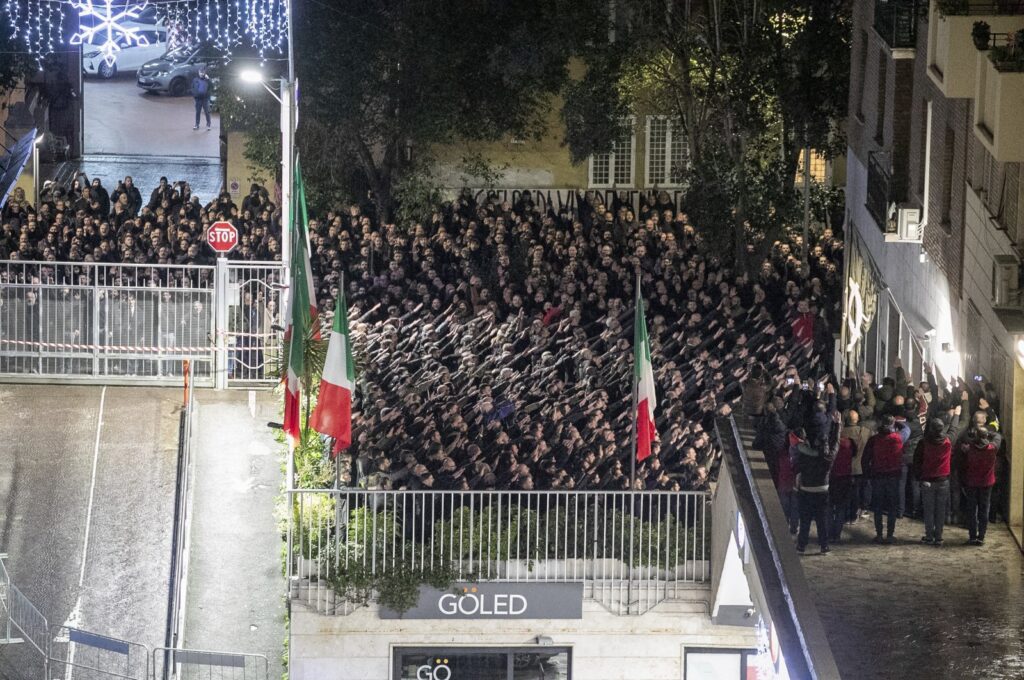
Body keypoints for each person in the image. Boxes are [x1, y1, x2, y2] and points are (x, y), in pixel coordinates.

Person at [793, 410, 841, 554]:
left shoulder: (802, 451)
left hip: (806, 488)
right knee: (822, 520)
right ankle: (824, 545)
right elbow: (836, 442)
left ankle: (801, 545)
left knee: (805, 519)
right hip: (822, 489)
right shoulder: (828, 457)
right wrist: (837, 425)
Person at [913, 409, 959, 546]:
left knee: (928, 510)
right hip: (943, 480)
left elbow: (917, 461)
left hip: (927, 480)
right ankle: (938, 536)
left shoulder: (923, 443)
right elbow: (954, 429)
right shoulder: (947, 441)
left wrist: (919, 478)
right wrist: (956, 415)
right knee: (940, 510)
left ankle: (928, 536)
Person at [956, 411, 1002, 545]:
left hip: (971, 482)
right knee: (984, 509)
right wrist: (985, 433)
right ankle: (981, 536)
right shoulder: (992, 449)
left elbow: (964, 447)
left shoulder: (969, 449)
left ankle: (972, 536)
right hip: (987, 483)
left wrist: (976, 435)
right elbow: (997, 436)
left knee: (972, 510)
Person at [863, 414, 910, 544]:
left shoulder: (874, 440)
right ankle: (890, 534)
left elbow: (865, 458)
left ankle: (879, 534)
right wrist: (897, 423)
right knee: (892, 507)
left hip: (878, 475)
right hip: (893, 476)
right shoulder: (898, 438)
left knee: (877, 506)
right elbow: (907, 429)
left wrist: (867, 474)